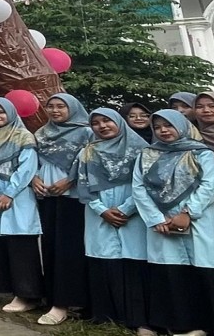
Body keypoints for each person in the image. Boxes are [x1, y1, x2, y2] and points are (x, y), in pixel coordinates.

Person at [131, 110, 214, 336]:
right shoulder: (147, 155)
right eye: (158, 127)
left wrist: (188, 212)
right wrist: (155, 218)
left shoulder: (201, 152)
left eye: (169, 125)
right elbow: (138, 188)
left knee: (212, 269)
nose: (163, 131)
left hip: (201, 219)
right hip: (163, 222)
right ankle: (185, 325)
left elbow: (211, 185)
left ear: (182, 126)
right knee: (173, 273)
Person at [74, 108, 149, 333]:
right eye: (96, 123)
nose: (102, 126)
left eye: (107, 120)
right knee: (104, 260)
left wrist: (126, 209)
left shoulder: (141, 150)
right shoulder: (87, 152)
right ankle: (106, 315)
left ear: (119, 122)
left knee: (134, 261)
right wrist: (102, 210)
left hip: (133, 210)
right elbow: (83, 185)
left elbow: (147, 184)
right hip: (99, 211)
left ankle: (139, 319)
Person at [0, 97, 43, 315]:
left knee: (21, 246)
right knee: (1, 246)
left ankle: (28, 295)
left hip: (17, 197)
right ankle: (13, 290)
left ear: (11, 113)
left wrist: (9, 193)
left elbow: (27, 168)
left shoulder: (23, 136)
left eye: (1, 111)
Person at [34, 94, 92, 325]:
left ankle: (68, 302)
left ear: (73, 108)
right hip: (47, 196)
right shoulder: (41, 133)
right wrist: (33, 179)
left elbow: (91, 162)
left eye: (61, 106)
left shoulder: (87, 132)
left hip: (74, 197)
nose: (55, 110)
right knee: (50, 248)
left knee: (70, 250)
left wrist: (70, 180)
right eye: (51, 106)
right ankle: (54, 299)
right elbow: (32, 160)